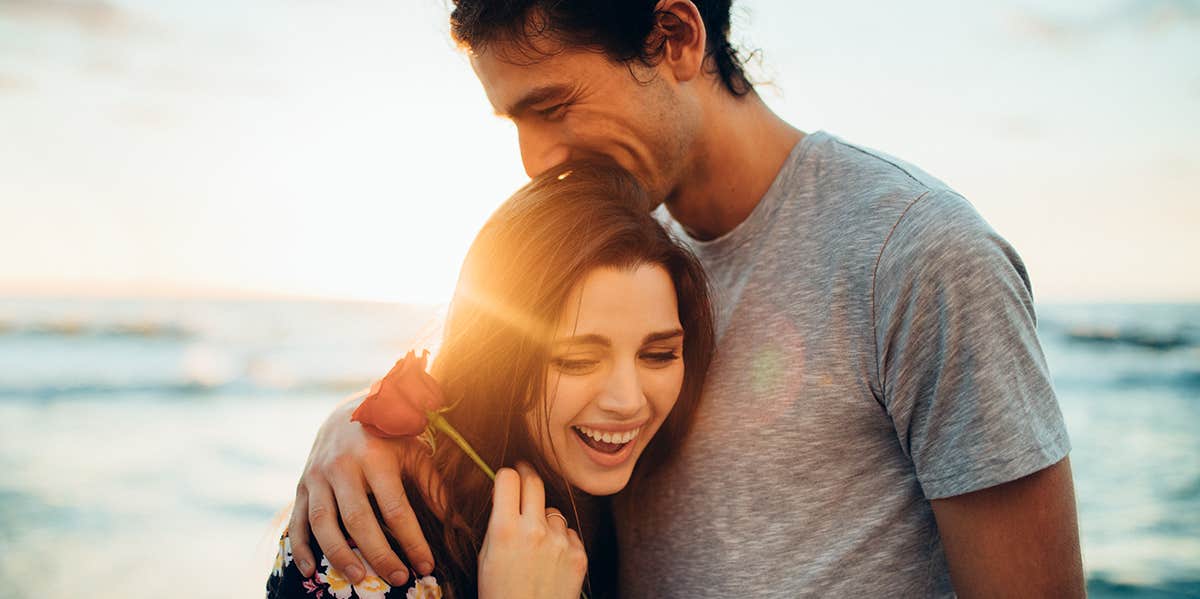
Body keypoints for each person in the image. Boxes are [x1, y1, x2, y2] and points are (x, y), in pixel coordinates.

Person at [287, 1, 1086, 596]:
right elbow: (492, 368)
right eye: (514, 121)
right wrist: (360, 425)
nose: (535, 160)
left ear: (674, 37)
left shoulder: (916, 254)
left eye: (554, 105)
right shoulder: (612, 239)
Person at [268, 162, 716, 598]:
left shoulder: (625, 498)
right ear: (499, 359)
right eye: (578, 360)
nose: (628, 400)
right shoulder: (374, 546)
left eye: (658, 355)